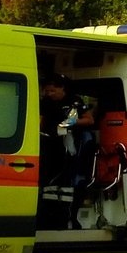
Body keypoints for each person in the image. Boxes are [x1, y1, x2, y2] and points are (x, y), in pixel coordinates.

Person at [38, 74, 98, 229]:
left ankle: (68, 217)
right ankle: (49, 216)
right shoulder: (46, 102)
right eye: (47, 91)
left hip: (70, 145)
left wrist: (72, 122)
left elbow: (89, 119)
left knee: (67, 179)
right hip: (50, 143)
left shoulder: (74, 101)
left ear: (62, 88)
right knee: (49, 180)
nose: (49, 94)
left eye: (52, 90)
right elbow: (40, 121)